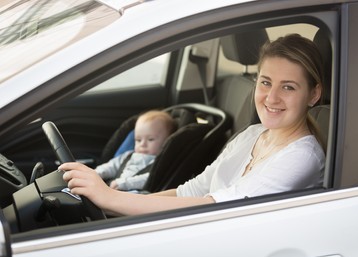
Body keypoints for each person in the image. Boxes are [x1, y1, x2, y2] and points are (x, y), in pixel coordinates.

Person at [59, 33, 326, 216]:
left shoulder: (302, 156)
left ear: (313, 94)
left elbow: (215, 206)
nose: (271, 97)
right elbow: (195, 190)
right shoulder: (254, 134)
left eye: (288, 87)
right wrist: (111, 207)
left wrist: (111, 197)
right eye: (266, 82)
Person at [95, 110, 177, 192]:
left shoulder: (161, 162)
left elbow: (149, 178)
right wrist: (97, 173)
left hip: (136, 193)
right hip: (116, 189)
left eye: (150, 139)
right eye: (138, 140)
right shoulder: (128, 156)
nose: (142, 144)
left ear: (167, 141)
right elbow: (111, 166)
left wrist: (125, 183)